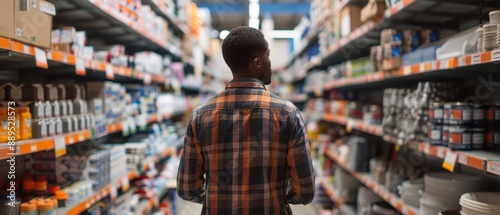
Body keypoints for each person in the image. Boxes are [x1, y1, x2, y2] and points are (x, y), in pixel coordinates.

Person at [177, 26, 315, 215]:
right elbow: (305, 191)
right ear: (257, 62)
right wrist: (277, 198)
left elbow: (187, 188)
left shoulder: (200, 116)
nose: (270, 63)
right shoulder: (288, 114)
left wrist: (217, 197)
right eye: (268, 55)